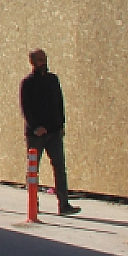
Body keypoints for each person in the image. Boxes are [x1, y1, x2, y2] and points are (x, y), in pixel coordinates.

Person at [20, 48, 79, 215]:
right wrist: (35, 127)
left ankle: (64, 204)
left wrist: (61, 125)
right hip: (35, 135)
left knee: (60, 167)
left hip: (54, 132)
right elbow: (26, 108)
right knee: (33, 169)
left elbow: (59, 103)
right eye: (39, 59)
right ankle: (33, 203)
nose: (43, 62)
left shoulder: (53, 80)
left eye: (44, 58)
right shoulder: (28, 83)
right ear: (32, 62)